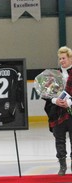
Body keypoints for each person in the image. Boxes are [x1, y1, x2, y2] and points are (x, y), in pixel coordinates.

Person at [44, 46, 72, 176]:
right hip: (57, 112)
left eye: (64, 58)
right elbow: (45, 94)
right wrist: (55, 101)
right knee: (59, 140)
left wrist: (69, 102)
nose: (62, 61)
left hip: (71, 111)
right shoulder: (55, 75)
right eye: (60, 58)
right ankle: (62, 166)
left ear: (70, 58)